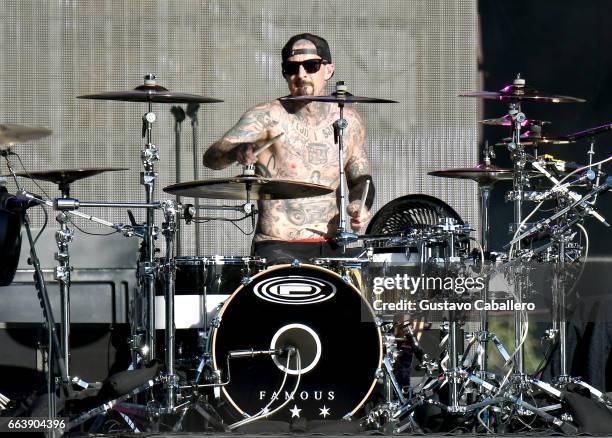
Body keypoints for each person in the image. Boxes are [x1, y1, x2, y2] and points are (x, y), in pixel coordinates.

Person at [203, 33, 374, 264]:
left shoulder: (348, 120)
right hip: (277, 246)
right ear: (284, 73)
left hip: (333, 244)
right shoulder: (268, 116)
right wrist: (238, 151)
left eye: (311, 66)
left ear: (329, 70)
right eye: (292, 68)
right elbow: (212, 158)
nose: (301, 75)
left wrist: (359, 206)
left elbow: (361, 178)